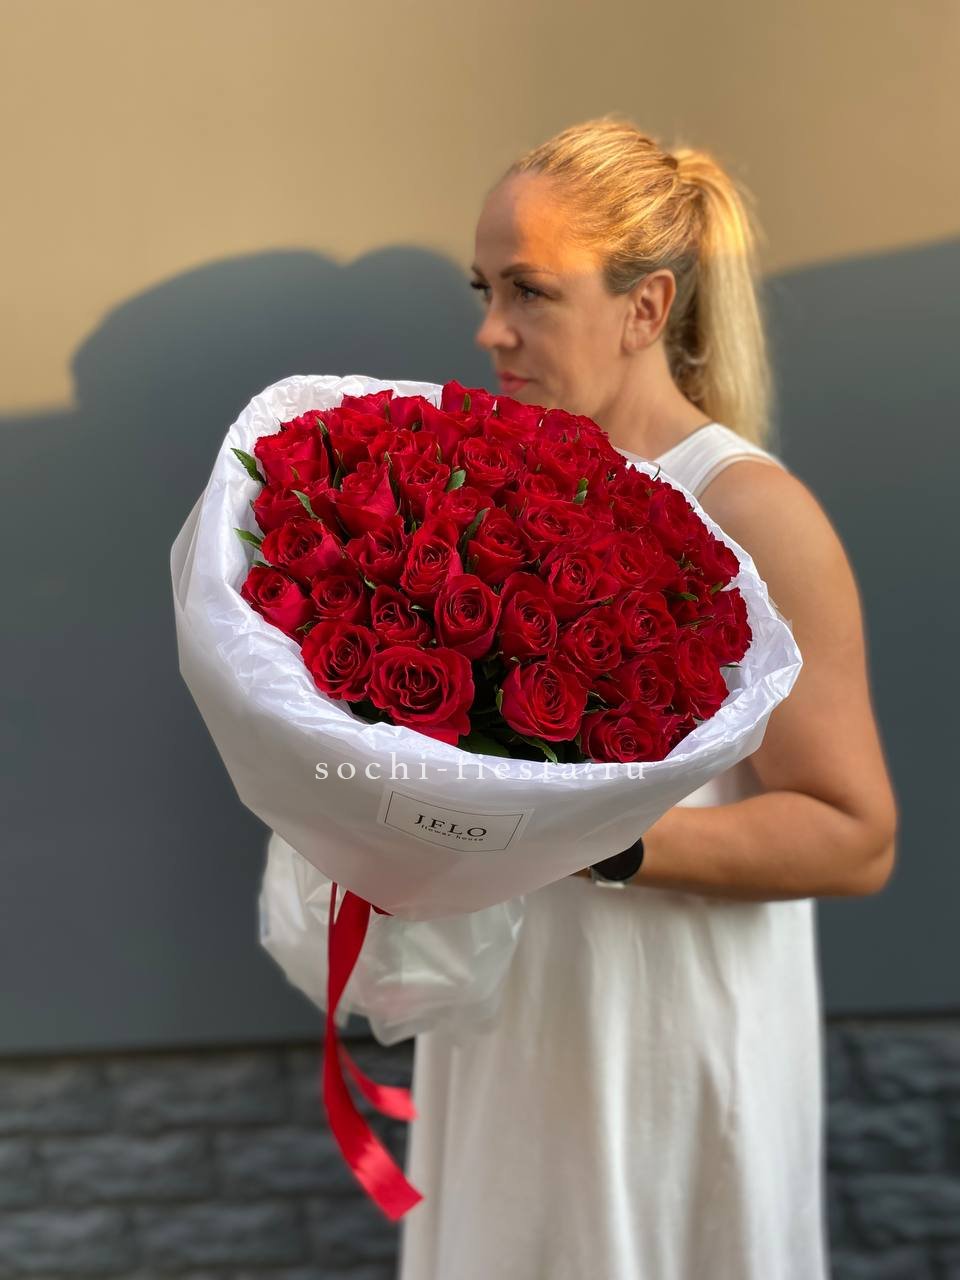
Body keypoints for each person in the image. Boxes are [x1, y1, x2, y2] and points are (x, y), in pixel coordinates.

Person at [396, 114, 899, 1280]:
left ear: (646, 307)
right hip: (515, 1028)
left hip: (663, 1045)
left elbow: (854, 832)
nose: (489, 329)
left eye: (529, 290)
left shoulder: (752, 512)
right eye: (484, 288)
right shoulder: (495, 491)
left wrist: (591, 836)